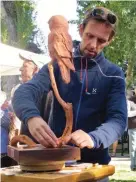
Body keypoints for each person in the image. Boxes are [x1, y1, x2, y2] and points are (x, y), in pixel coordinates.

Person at [12, 6, 127, 179]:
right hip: (56, 166)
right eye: (89, 36)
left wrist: (93, 138)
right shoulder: (58, 65)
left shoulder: (113, 73)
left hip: (94, 169)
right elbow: (24, 92)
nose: (93, 45)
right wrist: (31, 117)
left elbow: (118, 120)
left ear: (109, 41)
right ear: (81, 30)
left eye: (101, 40)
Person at [13, 53, 52, 142]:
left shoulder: (46, 94)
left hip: (39, 149)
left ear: (36, 70)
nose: (20, 69)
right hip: (28, 147)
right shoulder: (24, 92)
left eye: (25, 66)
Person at [0, 99, 17, 167]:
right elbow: (5, 123)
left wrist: (12, 119)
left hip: (6, 147)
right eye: (5, 101)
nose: (7, 102)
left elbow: (11, 127)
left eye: (7, 101)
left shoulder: (8, 111)